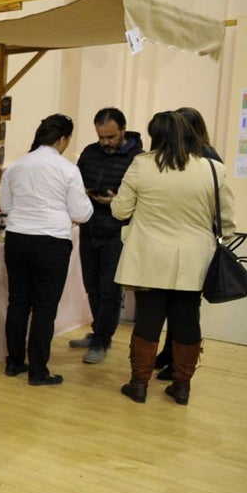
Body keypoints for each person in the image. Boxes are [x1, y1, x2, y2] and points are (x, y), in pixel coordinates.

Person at [111, 110, 234, 406]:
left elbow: (120, 210)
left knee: (149, 320)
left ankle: (139, 385)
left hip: (149, 257)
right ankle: (182, 387)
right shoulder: (213, 168)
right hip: (195, 258)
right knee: (188, 320)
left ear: (157, 136)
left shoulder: (142, 165)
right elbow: (226, 219)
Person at [0, 113, 94, 386]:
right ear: (63, 139)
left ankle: (14, 363)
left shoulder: (17, 166)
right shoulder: (67, 169)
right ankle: (38, 371)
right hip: (51, 241)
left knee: (18, 302)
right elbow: (82, 213)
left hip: (17, 238)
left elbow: (6, 207)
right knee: (44, 309)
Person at [153, 106, 223, 381]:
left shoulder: (205, 159)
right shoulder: (196, 157)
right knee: (179, 308)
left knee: (183, 311)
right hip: (189, 243)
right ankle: (169, 356)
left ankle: (177, 364)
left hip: (193, 244)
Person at [69, 108, 143, 364]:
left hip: (117, 231)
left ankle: (103, 340)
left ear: (123, 130)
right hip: (90, 226)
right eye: (101, 137)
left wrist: (115, 201)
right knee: (91, 286)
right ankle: (97, 331)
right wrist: (87, 193)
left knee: (109, 289)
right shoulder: (90, 152)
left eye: (110, 137)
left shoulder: (138, 158)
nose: (105, 143)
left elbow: (141, 197)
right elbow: (75, 183)